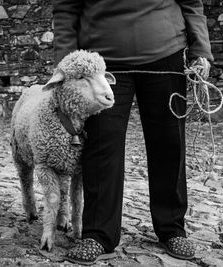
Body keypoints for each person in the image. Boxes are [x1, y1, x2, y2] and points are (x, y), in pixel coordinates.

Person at [52, 0, 213, 264]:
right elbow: (66, 9)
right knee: (102, 147)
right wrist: (67, 63)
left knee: (169, 144)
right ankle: (98, 234)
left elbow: (192, 3)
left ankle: (172, 228)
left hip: (167, 55)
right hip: (101, 64)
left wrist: (201, 50)